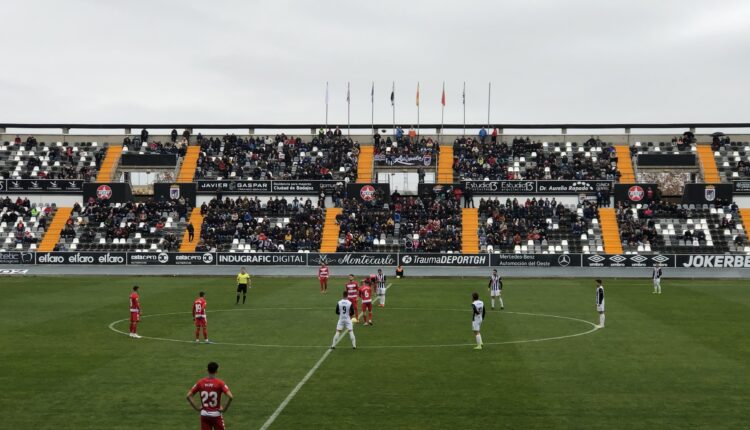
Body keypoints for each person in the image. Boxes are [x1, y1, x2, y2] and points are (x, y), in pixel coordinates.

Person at [186, 361, 234, 430]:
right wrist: (224, 409)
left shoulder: (200, 382)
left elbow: (188, 396)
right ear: (217, 371)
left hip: (204, 415)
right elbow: (230, 396)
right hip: (216, 415)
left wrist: (197, 408)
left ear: (207, 370)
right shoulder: (220, 383)